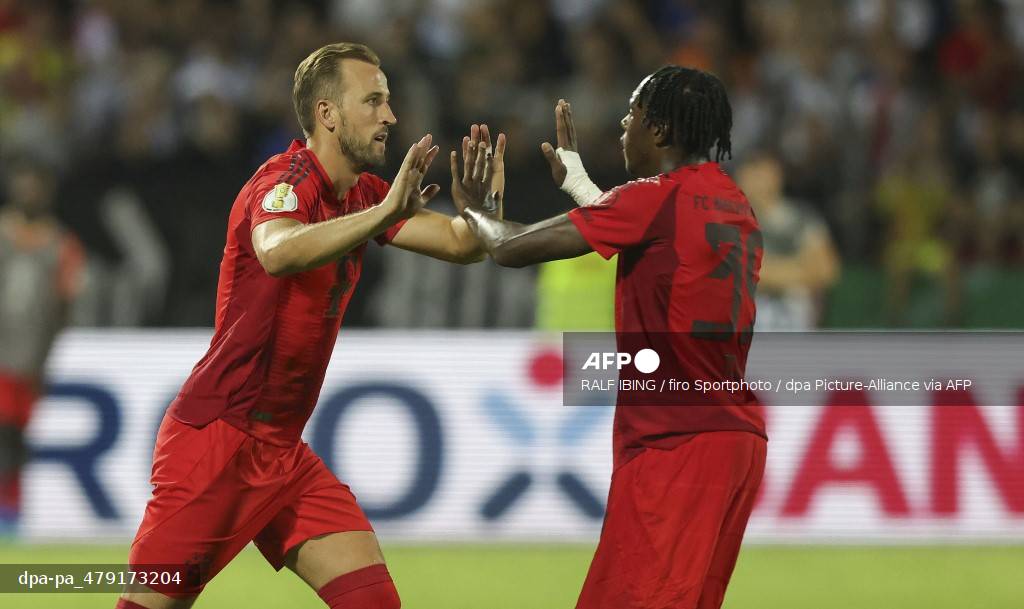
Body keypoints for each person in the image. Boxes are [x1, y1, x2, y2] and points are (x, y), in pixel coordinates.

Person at [117, 42, 503, 609]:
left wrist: (481, 210)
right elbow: (277, 251)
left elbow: (460, 244)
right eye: (373, 101)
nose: (390, 116)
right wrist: (382, 216)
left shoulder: (364, 194)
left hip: (283, 456)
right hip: (217, 446)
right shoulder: (285, 181)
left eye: (389, 101)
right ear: (328, 114)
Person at [453, 66, 767, 609]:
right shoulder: (734, 205)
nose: (623, 127)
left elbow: (509, 247)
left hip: (676, 446)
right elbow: (653, 236)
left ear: (661, 131)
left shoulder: (653, 200)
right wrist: (583, 189)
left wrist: (475, 212)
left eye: (632, 116)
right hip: (735, 441)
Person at [0, 158, 84, 536]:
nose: (28, 190)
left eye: (35, 183)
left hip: (31, 361)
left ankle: (11, 517)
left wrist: (53, 353)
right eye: (23, 182)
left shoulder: (61, 243)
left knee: (16, 440)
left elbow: (68, 301)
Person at [735, 151, 838, 331]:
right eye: (751, 173)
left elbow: (826, 270)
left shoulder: (802, 217)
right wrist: (800, 269)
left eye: (762, 173)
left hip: (795, 322)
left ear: (777, 175)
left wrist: (766, 272)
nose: (757, 181)